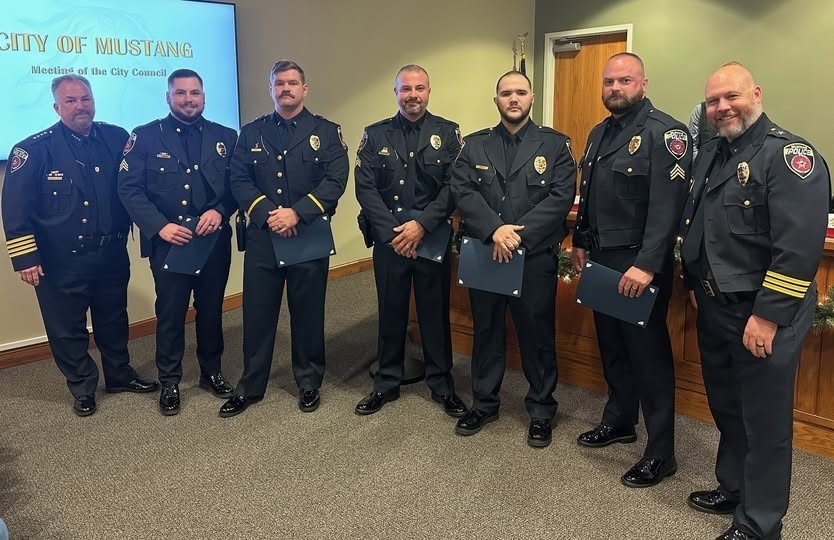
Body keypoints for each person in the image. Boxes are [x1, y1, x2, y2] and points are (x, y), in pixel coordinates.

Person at [680, 62, 829, 540]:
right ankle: (735, 488)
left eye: (731, 97)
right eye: (713, 101)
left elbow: (798, 249)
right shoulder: (712, 154)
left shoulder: (788, 156)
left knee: (764, 421)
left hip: (762, 312)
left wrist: (766, 316)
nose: (722, 107)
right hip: (717, 306)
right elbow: (703, 228)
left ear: (756, 94)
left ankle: (761, 523)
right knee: (727, 406)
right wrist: (699, 285)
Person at [1, 75, 158, 417]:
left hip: (110, 252)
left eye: (85, 99)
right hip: (60, 259)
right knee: (67, 327)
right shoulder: (33, 149)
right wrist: (26, 257)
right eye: (70, 101)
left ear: (93, 100)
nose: (80, 106)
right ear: (57, 107)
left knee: (113, 318)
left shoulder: (116, 138)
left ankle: (118, 374)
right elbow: (15, 209)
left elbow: (135, 188)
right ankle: (83, 386)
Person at [571, 52, 691, 487]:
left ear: (643, 83)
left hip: (639, 266)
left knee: (649, 358)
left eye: (624, 80)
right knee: (613, 348)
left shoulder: (666, 133)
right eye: (608, 82)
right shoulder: (600, 132)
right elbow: (590, 195)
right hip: (603, 259)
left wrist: (646, 265)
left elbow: (668, 208)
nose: (615, 88)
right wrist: (580, 241)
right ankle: (620, 420)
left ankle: (662, 454)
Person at [450, 71, 575, 447]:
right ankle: (484, 403)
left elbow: (560, 197)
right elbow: (462, 191)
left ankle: (540, 410)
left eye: (520, 92)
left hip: (533, 255)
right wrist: (494, 230)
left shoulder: (555, 145)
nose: (513, 99)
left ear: (532, 97)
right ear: (496, 100)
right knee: (486, 330)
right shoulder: (473, 145)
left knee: (536, 334)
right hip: (487, 251)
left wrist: (514, 234)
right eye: (506, 93)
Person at [220, 60, 349, 417]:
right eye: (279, 83)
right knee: (258, 313)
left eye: (293, 83)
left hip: (308, 233)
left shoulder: (326, 131)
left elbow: (336, 181)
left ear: (304, 89)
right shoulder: (251, 132)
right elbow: (239, 180)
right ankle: (251, 385)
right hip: (264, 235)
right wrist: (268, 214)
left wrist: (298, 212)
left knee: (307, 313)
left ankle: (309, 382)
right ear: (271, 90)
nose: (286, 89)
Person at [118, 69, 238, 415]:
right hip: (169, 242)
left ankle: (211, 372)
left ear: (203, 96)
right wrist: (159, 227)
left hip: (212, 240)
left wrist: (221, 210)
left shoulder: (225, 136)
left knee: (211, 308)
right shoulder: (144, 137)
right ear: (168, 96)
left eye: (195, 93)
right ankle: (169, 379)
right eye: (181, 93)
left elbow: (237, 185)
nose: (189, 99)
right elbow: (128, 189)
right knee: (170, 313)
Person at [353, 65, 466, 417]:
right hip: (391, 241)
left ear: (429, 91)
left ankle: (442, 383)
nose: (412, 95)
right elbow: (366, 188)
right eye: (405, 89)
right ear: (396, 92)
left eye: (419, 88)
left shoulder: (447, 134)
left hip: (429, 238)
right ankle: (386, 382)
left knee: (434, 312)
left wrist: (422, 225)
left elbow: (453, 186)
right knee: (391, 311)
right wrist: (392, 232)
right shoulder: (375, 135)